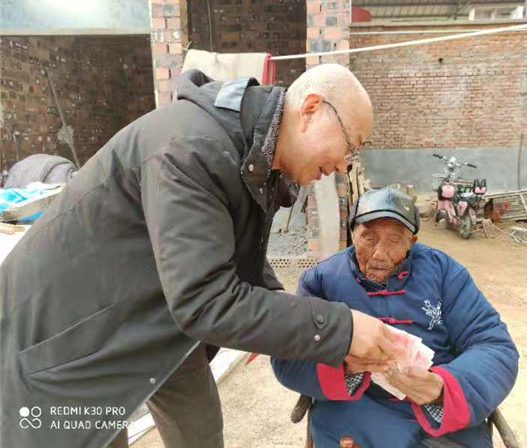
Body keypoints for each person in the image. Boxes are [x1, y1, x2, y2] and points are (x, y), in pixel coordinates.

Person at [0, 64, 400, 448]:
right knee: (97, 436)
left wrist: (272, 296)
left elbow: (221, 244)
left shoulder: (255, 154)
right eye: (350, 145)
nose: (344, 165)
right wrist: (343, 329)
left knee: (201, 431)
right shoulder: (190, 148)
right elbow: (205, 301)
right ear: (310, 109)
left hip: (156, 310)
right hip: (67, 338)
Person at [271, 187, 519, 447]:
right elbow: (289, 356)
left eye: (393, 241)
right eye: (368, 237)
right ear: (353, 234)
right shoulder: (322, 280)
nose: (379, 253)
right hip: (356, 409)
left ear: (412, 241)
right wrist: (346, 366)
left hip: (441, 412)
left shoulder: (444, 272)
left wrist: (441, 388)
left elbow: (494, 345)